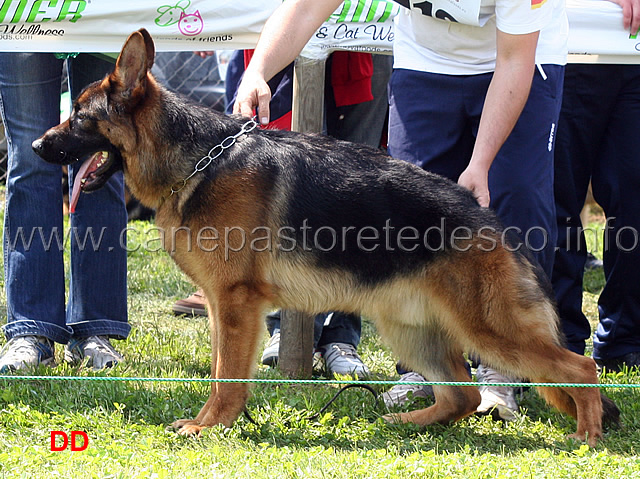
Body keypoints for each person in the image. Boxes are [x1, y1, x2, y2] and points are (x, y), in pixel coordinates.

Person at [233, 0, 567, 420]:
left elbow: (515, 59)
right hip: (426, 60)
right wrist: (258, 69)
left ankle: (502, 370)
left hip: (522, 58)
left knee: (515, 200)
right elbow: (305, 8)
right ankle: (427, 373)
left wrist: (480, 164)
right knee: (408, 225)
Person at [175, 48, 393, 376]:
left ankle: (341, 335)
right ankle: (282, 326)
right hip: (286, 49)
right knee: (287, 194)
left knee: (352, 197)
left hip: (364, 43)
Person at [0, 53, 130, 373]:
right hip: (24, 17)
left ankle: (94, 330)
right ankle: (31, 331)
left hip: (100, 15)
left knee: (102, 158)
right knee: (31, 162)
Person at [552, 0, 640, 372]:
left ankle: (624, 339)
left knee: (634, 202)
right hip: (566, 48)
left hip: (632, 59)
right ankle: (560, 339)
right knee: (558, 203)